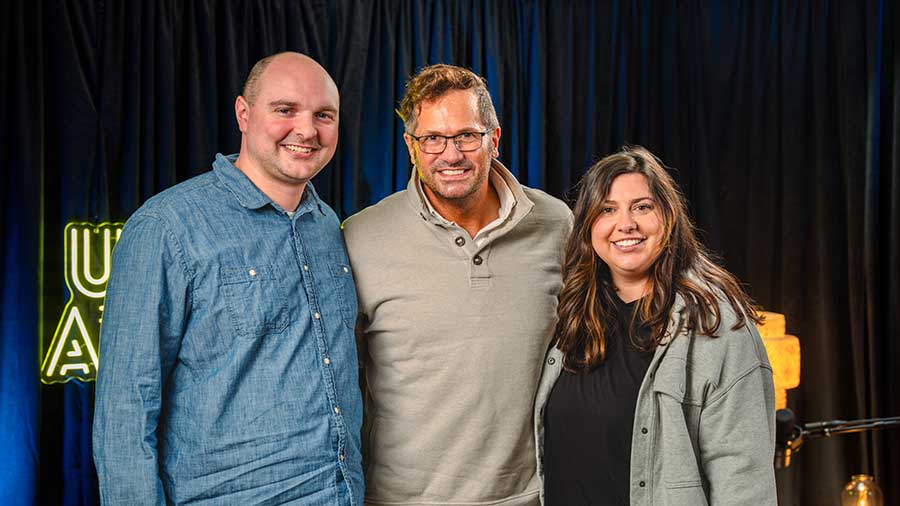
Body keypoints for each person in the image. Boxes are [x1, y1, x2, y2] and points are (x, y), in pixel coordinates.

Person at [93, 52, 364, 505]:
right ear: (243, 113)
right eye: (285, 110)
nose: (307, 130)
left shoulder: (326, 224)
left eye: (324, 115)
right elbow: (125, 412)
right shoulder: (167, 226)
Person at [342, 64, 572, 506]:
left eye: (467, 135)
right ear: (411, 147)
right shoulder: (360, 237)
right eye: (432, 139)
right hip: (401, 499)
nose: (451, 154)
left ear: (494, 140)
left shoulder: (556, 224)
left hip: (530, 496)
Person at [533, 146, 777, 506]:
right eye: (607, 209)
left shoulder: (717, 327)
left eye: (642, 207)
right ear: (588, 225)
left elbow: (744, 479)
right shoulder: (570, 312)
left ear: (668, 217)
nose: (625, 224)